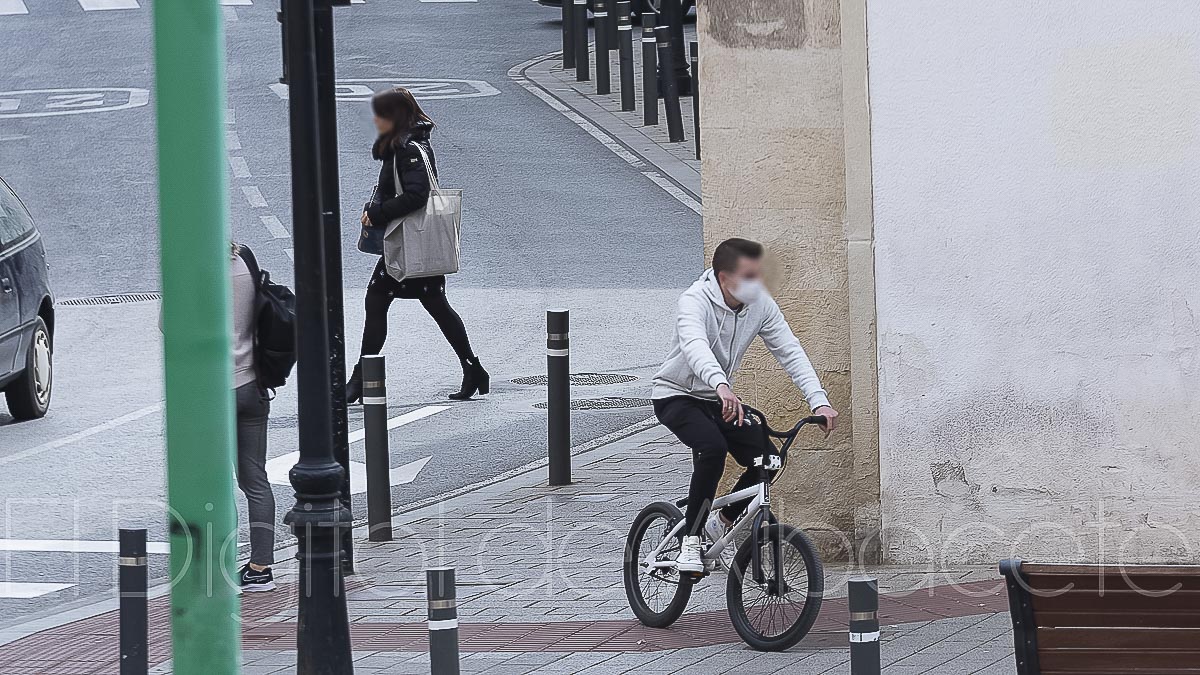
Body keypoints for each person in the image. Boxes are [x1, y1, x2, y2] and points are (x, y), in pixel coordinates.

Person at [651, 238, 839, 573]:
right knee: (712, 448)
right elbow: (695, 346)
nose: (758, 283)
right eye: (750, 276)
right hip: (676, 395)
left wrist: (819, 401)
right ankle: (690, 542)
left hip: (719, 399)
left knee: (769, 456)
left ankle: (720, 522)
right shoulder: (694, 301)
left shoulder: (760, 305)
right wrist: (720, 384)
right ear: (725, 278)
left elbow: (790, 351)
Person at [345, 87, 488, 403]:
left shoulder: (409, 150)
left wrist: (378, 212)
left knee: (380, 298)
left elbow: (416, 195)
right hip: (414, 243)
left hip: (413, 243)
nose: (375, 120)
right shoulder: (405, 145)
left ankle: (359, 378)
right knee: (433, 305)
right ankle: (473, 368)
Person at [232, 242, 276, 591]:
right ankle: (260, 568)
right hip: (252, 383)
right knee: (254, 480)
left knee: (210, 482)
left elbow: (167, 325)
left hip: (211, 392)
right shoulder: (243, 256)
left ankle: (213, 563)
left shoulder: (188, 269)